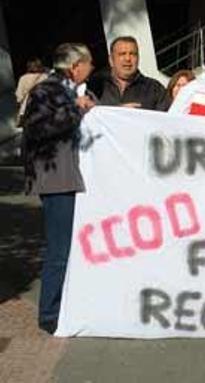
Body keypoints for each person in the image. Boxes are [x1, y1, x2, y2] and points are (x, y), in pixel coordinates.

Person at [20, 43, 96, 334]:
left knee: (71, 246)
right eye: (88, 63)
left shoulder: (75, 90)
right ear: (75, 66)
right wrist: (76, 110)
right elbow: (40, 129)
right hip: (57, 179)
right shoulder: (47, 90)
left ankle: (65, 304)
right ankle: (50, 314)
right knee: (59, 249)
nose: (91, 68)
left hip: (70, 177)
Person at [86, 36, 167, 110]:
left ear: (138, 58)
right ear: (111, 60)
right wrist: (118, 112)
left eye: (133, 54)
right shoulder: (94, 86)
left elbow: (164, 121)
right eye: (122, 54)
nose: (128, 59)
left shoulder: (154, 89)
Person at [15, 58, 48, 125]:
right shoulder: (45, 77)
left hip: (28, 110)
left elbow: (19, 96)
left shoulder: (23, 78)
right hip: (43, 108)